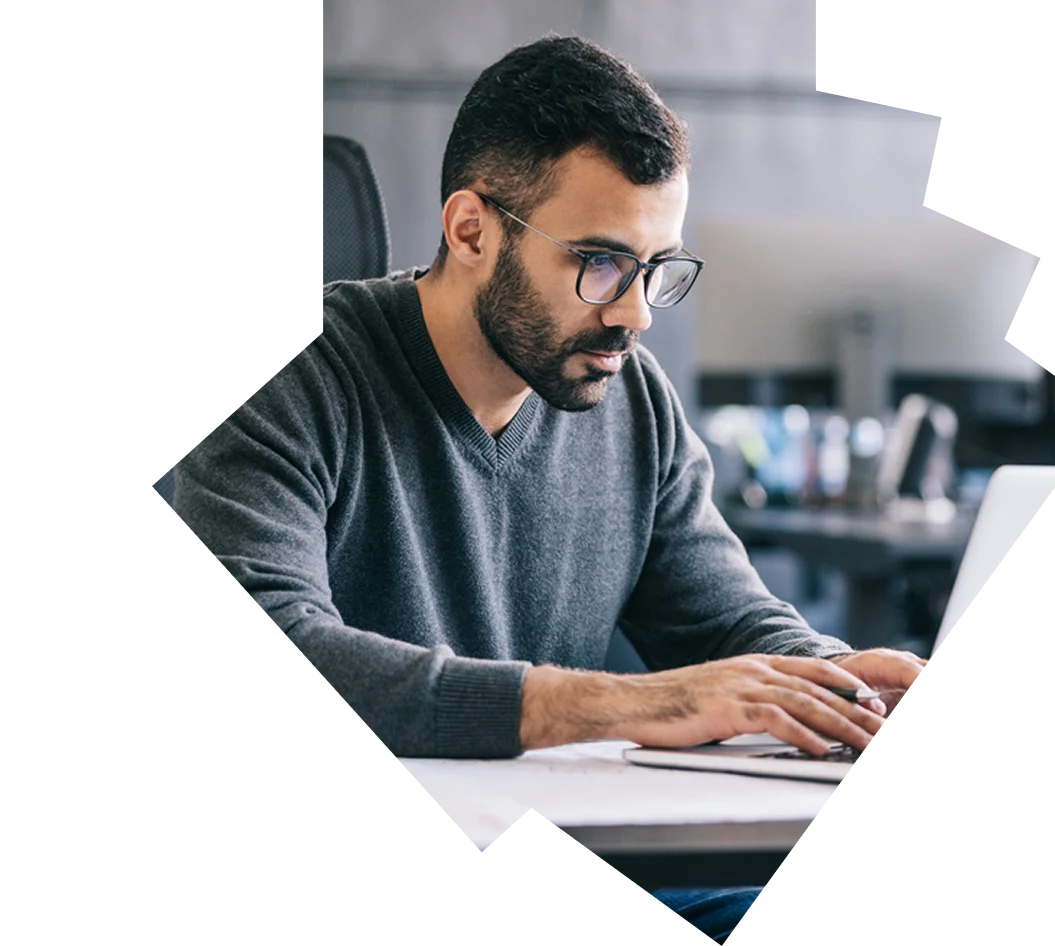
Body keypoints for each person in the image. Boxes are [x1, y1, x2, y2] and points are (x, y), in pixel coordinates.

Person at [173, 35, 926, 944]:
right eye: (601, 262)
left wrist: (834, 683)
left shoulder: (633, 399)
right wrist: (623, 704)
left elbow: (727, 622)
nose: (635, 313)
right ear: (471, 230)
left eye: (657, 269)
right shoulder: (293, 381)